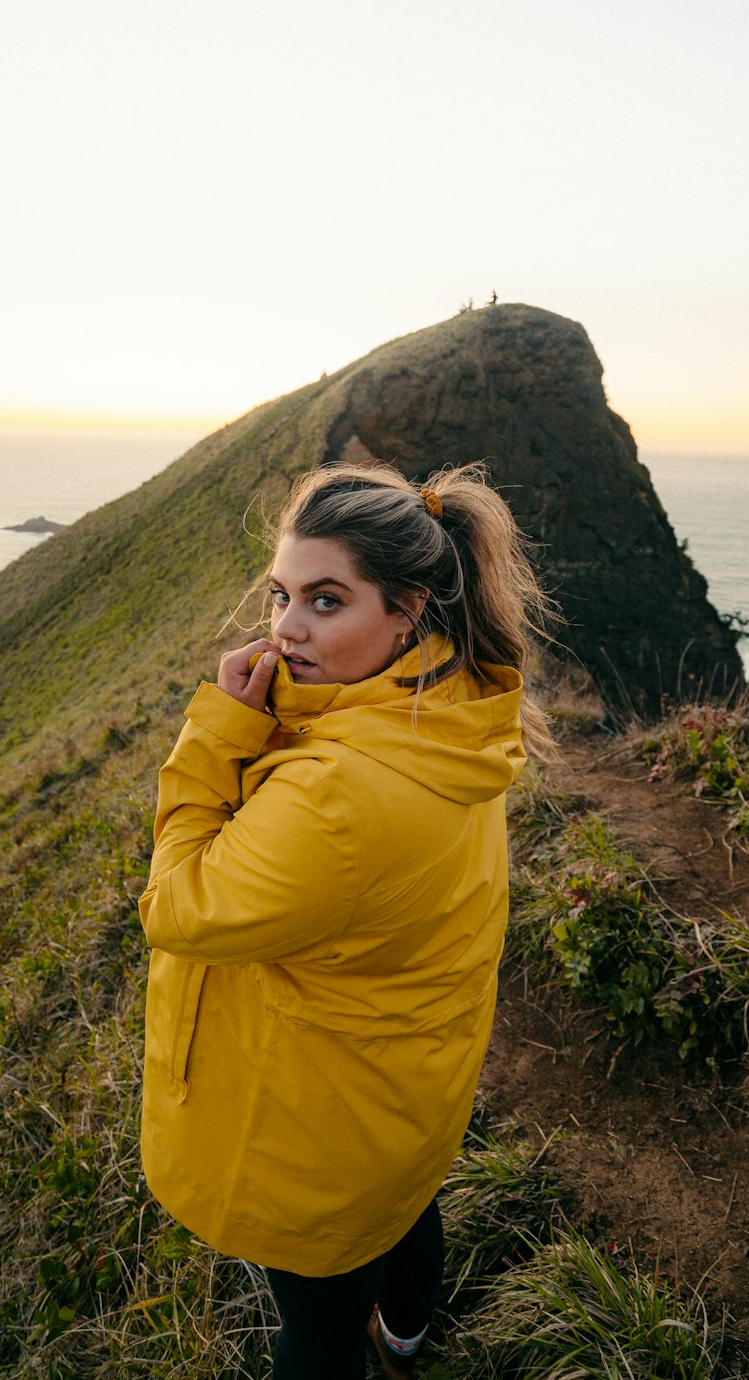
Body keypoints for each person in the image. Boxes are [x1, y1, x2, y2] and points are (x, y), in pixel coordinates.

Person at [138, 461, 552, 1379]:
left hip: (317, 1127)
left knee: (316, 1336)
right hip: (409, 1084)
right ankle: (408, 1341)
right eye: (282, 593)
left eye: (327, 600)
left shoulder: (334, 796)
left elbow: (176, 906)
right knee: (405, 1207)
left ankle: (381, 1349)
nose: (285, 626)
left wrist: (217, 735)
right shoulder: (450, 706)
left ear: (406, 611)